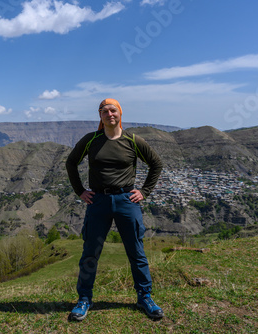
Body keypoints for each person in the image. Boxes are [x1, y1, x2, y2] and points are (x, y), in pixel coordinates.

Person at [65, 98, 164, 321]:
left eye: (113, 110)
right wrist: (80, 191)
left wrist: (144, 191)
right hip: (98, 200)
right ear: (100, 116)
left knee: (136, 251)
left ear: (120, 113)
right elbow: (71, 163)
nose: (109, 114)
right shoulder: (91, 140)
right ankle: (84, 299)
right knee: (90, 252)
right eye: (104, 111)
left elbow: (156, 164)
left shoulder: (133, 140)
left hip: (126, 200)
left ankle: (144, 296)